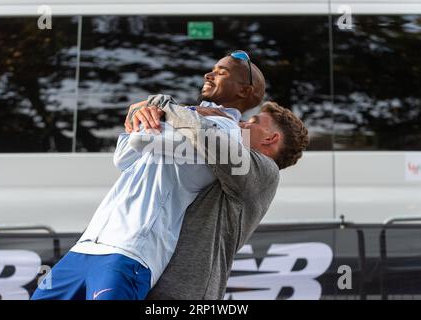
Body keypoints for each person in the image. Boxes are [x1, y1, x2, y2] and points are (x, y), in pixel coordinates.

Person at [31, 51, 270, 300]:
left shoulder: (228, 132)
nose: (209, 74)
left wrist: (159, 110)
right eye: (213, 68)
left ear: (243, 91)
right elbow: (122, 156)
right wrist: (163, 113)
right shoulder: (190, 117)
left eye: (222, 72)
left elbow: (140, 138)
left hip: (132, 251)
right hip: (86, 245)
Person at [128, 97, 309, 300]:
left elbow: (204, 133)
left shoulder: (264, 169)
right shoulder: (229, 166)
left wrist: (165, 106)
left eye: (254, 122)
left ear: (270, 139)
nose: (241, 123)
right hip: (157, 282)